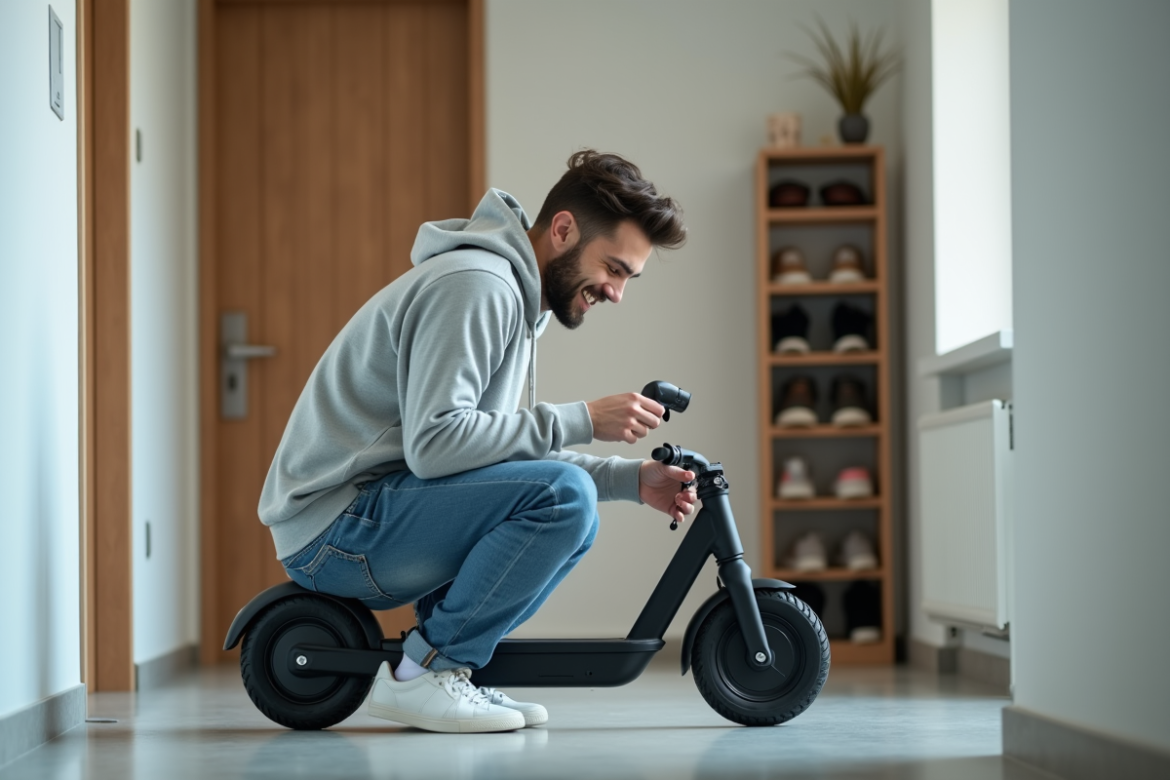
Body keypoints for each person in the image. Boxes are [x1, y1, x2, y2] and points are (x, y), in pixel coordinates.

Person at [258, 150, 695, 733]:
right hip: (336, 530)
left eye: (627, 278)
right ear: (563, 230)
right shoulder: (478, 286)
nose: (616, 292)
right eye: (613, 269)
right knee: (565, 498)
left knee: (575, 504)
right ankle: (427, 673)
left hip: (370, 512)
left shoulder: (511, 296)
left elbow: (489, 454)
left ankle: (445, 670)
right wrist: (584, 418)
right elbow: (438, 446)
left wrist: (629, 479)